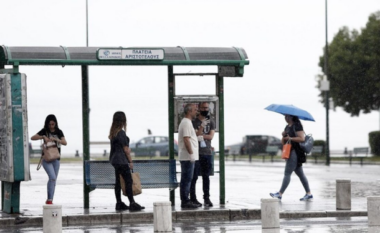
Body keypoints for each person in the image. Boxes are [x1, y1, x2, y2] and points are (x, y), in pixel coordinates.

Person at [270, 115, 313, 201]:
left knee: (287, 173)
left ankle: (280, 193)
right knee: (301, 174)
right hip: (289, 151)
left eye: (288, 117)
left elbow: (302, 138)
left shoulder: (297, 125)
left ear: (292, 117)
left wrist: (290, 138)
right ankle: (309, 193)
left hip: (295, 152)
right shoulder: (287, 127)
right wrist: (283, 136)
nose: (286, 118)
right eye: (285, 116)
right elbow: (283, 142)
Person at [108, 111, 145, 211]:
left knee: (118, 182)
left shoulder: (113, 133)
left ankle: (119, 203)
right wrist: (130, 161)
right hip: (122, 161)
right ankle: (132, 203)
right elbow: (125, 149)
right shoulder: (121, 133)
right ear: (123, 121)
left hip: (115, 161)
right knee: (129, 181)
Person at [31, 114, 67, 204]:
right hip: (46, 158)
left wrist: (56, 139)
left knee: (54, 179)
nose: (51, 126)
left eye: (53, 124)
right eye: (49, 124)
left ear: (55, 123)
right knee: (52, 177)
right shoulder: (44, 131)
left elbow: (65, 142)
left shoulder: (59, 132)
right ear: (47, 124)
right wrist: (43, 137)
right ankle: (49, 200)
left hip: (56, 158)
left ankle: (50, 199)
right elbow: (33, 137)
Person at [190, 102, 215, 207]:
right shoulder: (193, 122)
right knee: (194, 176)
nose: (205, 109)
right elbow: (194, 136)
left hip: (207, 152)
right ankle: (193, 198)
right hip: (196, 153)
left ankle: (207, 198)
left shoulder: (211, 122)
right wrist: (201, 135)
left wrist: (202, 136)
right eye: (203, 108)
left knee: (206, 176)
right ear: (199, 109)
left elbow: (211, 137)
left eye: (207, 108)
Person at [178, 103, 199, 209]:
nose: (197, 111)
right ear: (189, 111)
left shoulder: (188, 122)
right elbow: (186, 139)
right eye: (195, 109)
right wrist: (191, 154)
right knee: (186, 179)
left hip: (189, 156)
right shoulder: (186, 122)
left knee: (188, 179)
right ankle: (185, 201)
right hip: (187, 157)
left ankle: (187, 199)